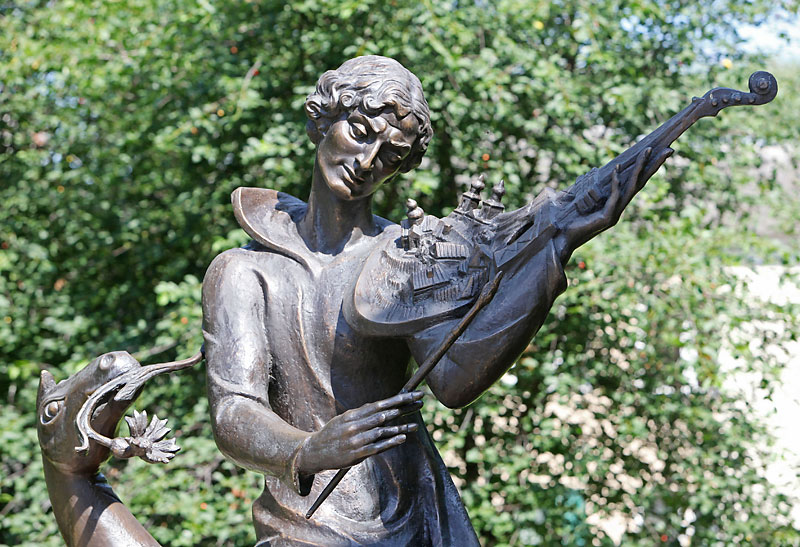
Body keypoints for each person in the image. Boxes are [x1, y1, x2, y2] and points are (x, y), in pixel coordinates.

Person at [202, 55, 663, 545]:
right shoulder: (243, 271)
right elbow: (234, 411)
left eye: (390, 156)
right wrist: (308, 449)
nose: (365, 163)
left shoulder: (405, 258)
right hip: (305, 522)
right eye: (359, 131)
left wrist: (553, 251)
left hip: (416, 514)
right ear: (324, 119)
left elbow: (453, 381)